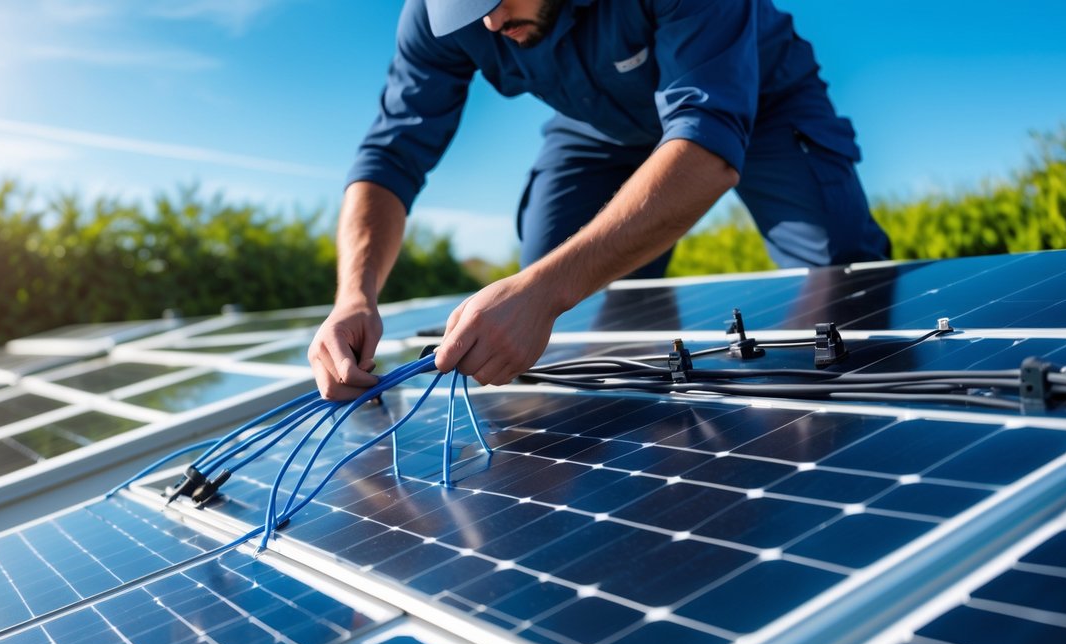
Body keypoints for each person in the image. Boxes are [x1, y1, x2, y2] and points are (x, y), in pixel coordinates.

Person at [308, 0, 890, 399]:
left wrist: (546, 290)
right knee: (569, 324)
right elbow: (389, 156)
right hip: (596, 132)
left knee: (842, 280)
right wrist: (353, 298)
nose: (485, 23)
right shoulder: (441, 18)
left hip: (756, 100)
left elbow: (704, 141)